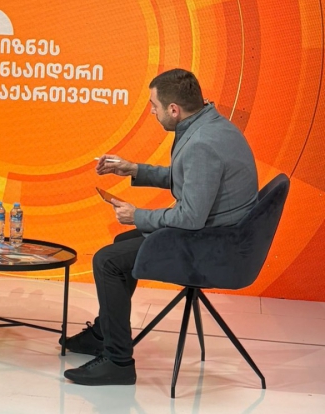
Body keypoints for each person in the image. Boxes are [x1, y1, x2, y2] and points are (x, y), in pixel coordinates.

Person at [63, 69, 258, 385]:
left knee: (107, 261)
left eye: (154, 106)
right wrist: (134, 169)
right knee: (121, 246)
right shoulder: (210, 125)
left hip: (214, 247)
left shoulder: (202, 143)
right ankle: (103, 334)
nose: (152, 112)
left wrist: (138, 215)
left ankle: (118, 362)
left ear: (174, 109)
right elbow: (191, 178)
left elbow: (190, 217)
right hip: (220, 234)